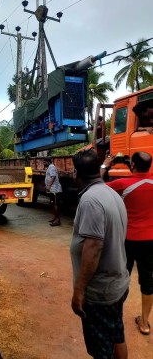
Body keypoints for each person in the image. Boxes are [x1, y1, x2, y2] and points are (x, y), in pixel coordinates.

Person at [70, 149, 129, 359]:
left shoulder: (90, 201)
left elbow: (93, 249)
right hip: (117, 285)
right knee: (117, 336)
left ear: (76, 172)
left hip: (100, 293)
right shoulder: (112, 194)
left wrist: (79, 291)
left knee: (102, 351)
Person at [101, 151, 153, 335]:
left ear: (132, 165)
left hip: (127, 240)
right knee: (148, 281)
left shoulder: (123, 184)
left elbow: (97, 186)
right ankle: (145, 323)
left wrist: (105, 164)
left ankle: (116, 318)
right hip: (150, 241)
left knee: (122, 278)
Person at [44, 158, 62, 226]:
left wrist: (49, 186)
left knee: (55, 204)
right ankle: (55, 218)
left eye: (44, 162)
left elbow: (53, 177)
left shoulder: (51, 167)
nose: (44, 163)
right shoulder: (49, 167)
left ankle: (57, 220)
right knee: (52, 203)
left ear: (48, 161)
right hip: (52, 189)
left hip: (55, 189)